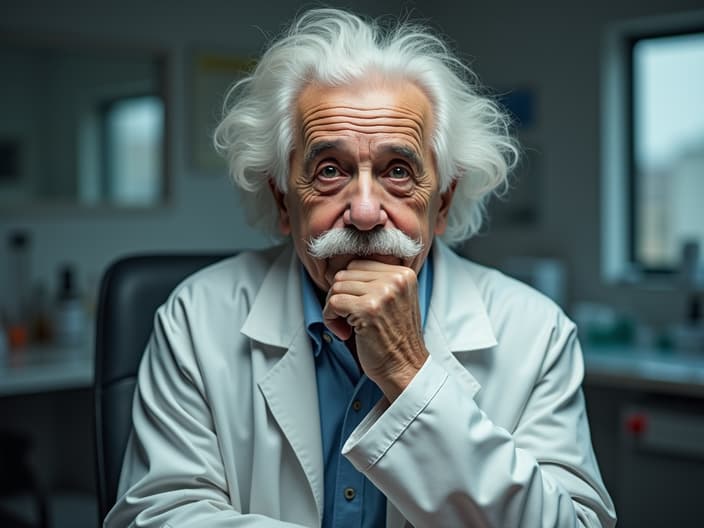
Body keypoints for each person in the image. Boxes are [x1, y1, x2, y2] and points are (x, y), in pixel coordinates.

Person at [105, 8, 616, 528]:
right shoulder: (195, 317)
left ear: (442, 203)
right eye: (330, 170)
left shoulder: (536, 330)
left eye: (399, 171)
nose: (366, 211)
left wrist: (410, 374)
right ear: (284, 202)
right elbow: (156, 515)